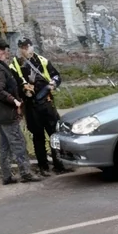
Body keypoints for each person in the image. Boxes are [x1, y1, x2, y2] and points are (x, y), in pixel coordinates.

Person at [11, 38, 74, 177]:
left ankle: (59, 164)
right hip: (31, 106)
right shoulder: (15, 64)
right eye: (22, 47)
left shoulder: (42, 60)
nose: (25, 49)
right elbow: (13, 86)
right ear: (19, 48)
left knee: (54, 134)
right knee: (38, 136)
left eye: (27, 46)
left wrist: (52, 84)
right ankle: (43, 166)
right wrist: (24, 90)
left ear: (32, 46)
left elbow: (56, 76)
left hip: (47, 103)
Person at [0, 39, 40, 183]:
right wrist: (14, 100)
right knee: (18, 143)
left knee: (5, 145)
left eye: (5, 50)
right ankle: (26, 173)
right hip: (7, 113)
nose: (4, 53)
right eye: (2, 50)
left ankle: (7, 176)